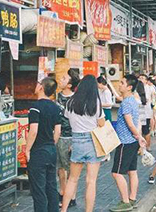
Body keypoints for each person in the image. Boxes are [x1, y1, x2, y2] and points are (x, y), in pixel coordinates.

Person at [61, 75, 105, 212]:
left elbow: (67, 118)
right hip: (92, 142)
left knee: (72, 179)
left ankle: (63, 209)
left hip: (76, 141)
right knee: (91, 181)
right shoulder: (95, 102)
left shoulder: (70, 102)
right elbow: (101, 123)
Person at [110, 75, 146, 212]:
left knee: (117, 173)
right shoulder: (132, 100)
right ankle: (132, 199)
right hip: (132, 141)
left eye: (122, 83)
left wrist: (138, 136)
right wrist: (138, 137)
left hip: (125, 141)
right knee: (132, 171)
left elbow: (130, 123)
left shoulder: (126, 103)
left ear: (129, 87)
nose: (120, 85)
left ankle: (125, 201)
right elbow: (136, 122)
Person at [26, 77, 62, 212]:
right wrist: (52, 144)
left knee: (39, 191)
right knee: (51, 187)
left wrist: (28, 150)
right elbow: (57, 130)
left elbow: (33, 131)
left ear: (41, 87)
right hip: (51, 150)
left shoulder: (35, 108)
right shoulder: (55, 107)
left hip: (38, 152)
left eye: (38, 83)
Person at [56, 75, 77, 207]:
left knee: (71, 168)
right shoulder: (56, 96)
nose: (60, 80)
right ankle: (63, 191)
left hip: (70, 136)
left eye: (64, 79)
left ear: (69, 85)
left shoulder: (76, 99)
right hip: (58, 135)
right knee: (60, 167)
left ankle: (71, 196)